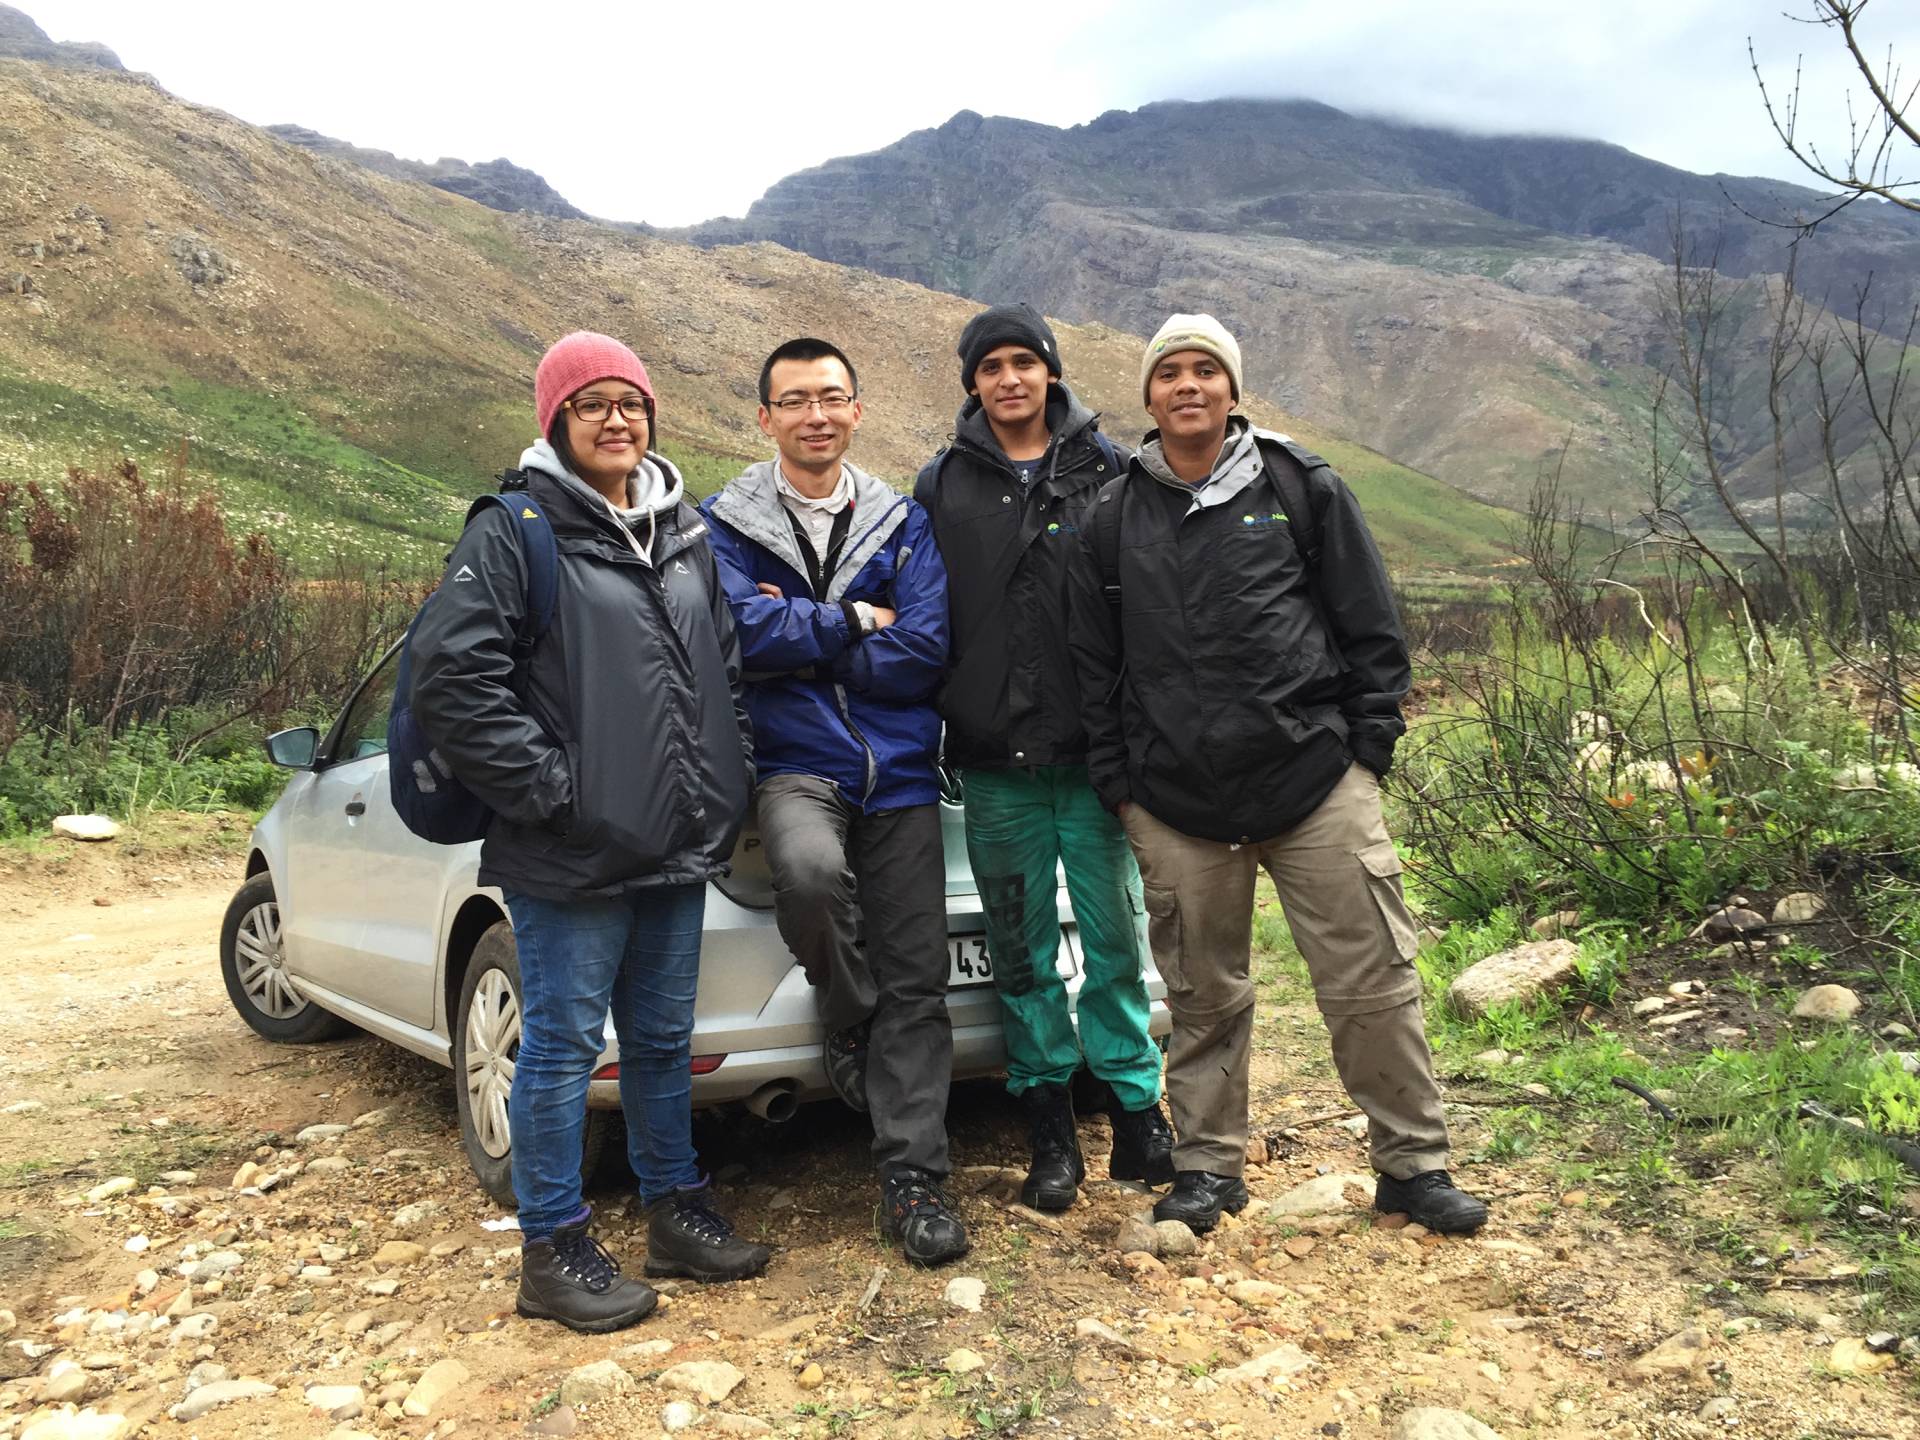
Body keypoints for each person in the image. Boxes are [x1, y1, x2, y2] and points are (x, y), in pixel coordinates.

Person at [1066, 314, 1488, 1236]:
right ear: (1148, 396)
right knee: (1201, 997)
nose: (1187, 386)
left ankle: (1414, 1167)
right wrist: (1122, 787)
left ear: (1232, 388)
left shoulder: (1301, 487)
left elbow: (1371, 628)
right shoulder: (1110, 517)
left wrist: (1366, 753)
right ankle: (1207, 1170)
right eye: (1169, 372)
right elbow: (1094, 670)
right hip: (1175, 801)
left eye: (1205, 370)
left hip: (1317, 783)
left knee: (1372, 981)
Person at [409, 331, 771, 1333]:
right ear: (556, 420)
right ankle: (553, 1248)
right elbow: (453, 680)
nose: (617, 419)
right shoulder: (515, 530)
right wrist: (555, 791)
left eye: (631, 402)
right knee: (563, 1047)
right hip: (568, 848)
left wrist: (727, 775)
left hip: (676, 840)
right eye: (591, 404)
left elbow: (724, 670)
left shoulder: (682, 530)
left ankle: (674, 1211)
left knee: (659, 1040)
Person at [702, 337, 968, 1267]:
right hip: (793, 766)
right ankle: (849, 1015)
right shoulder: (723, 525)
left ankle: (915, 1181)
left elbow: (925, 648)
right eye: (795, 400)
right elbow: (738, 634)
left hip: (901, 772)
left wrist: (801, 642)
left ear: (856, 409)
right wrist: (855, 619)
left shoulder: (902, 521)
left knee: (918, 978)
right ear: (765, 416)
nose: (815, 415)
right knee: (810, 877)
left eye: (831, 397)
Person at [913, 303, 1173, 1212]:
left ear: (1051, 371)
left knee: (1113, 940)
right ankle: (1050, 1130)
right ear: (973, 383)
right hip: (994, 767)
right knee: (1019, 953)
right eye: (991, 367)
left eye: (1024, 361)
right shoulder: (942, 483)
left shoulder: (1110, 469)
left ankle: (1138, 1113)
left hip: (1093, 760)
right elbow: (921, 606)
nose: (1009, 379)